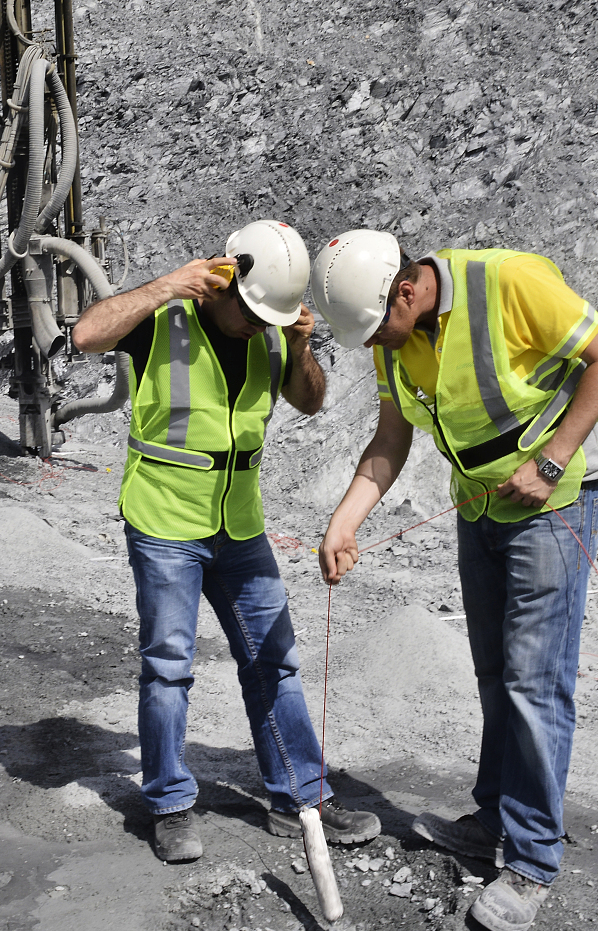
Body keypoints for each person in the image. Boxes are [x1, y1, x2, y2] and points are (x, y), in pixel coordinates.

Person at [310, 232, 598, 931]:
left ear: (406, 291)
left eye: (377, 330)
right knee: (495, 675)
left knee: (535, 684)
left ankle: (533, 859)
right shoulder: (394, 337)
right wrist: (344, 522)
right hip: (480, 507)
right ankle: (494, 819)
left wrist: (551, 461)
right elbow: (390, 441)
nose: (375, 345)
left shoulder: (508, 282)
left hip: (553, 505)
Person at [71, 220, 380, 864]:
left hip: (239, 524)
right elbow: (86, 334)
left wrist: (299, 347)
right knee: (168, 668)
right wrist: (165, 286)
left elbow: (311, 401)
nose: (256, 324)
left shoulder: (271, 333)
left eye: (269, 317)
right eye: (251, 311)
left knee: (275, 661)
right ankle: (170, 804)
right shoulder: (166, 318)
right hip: (165, 521)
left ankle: (300, 799)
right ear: (222, 280)